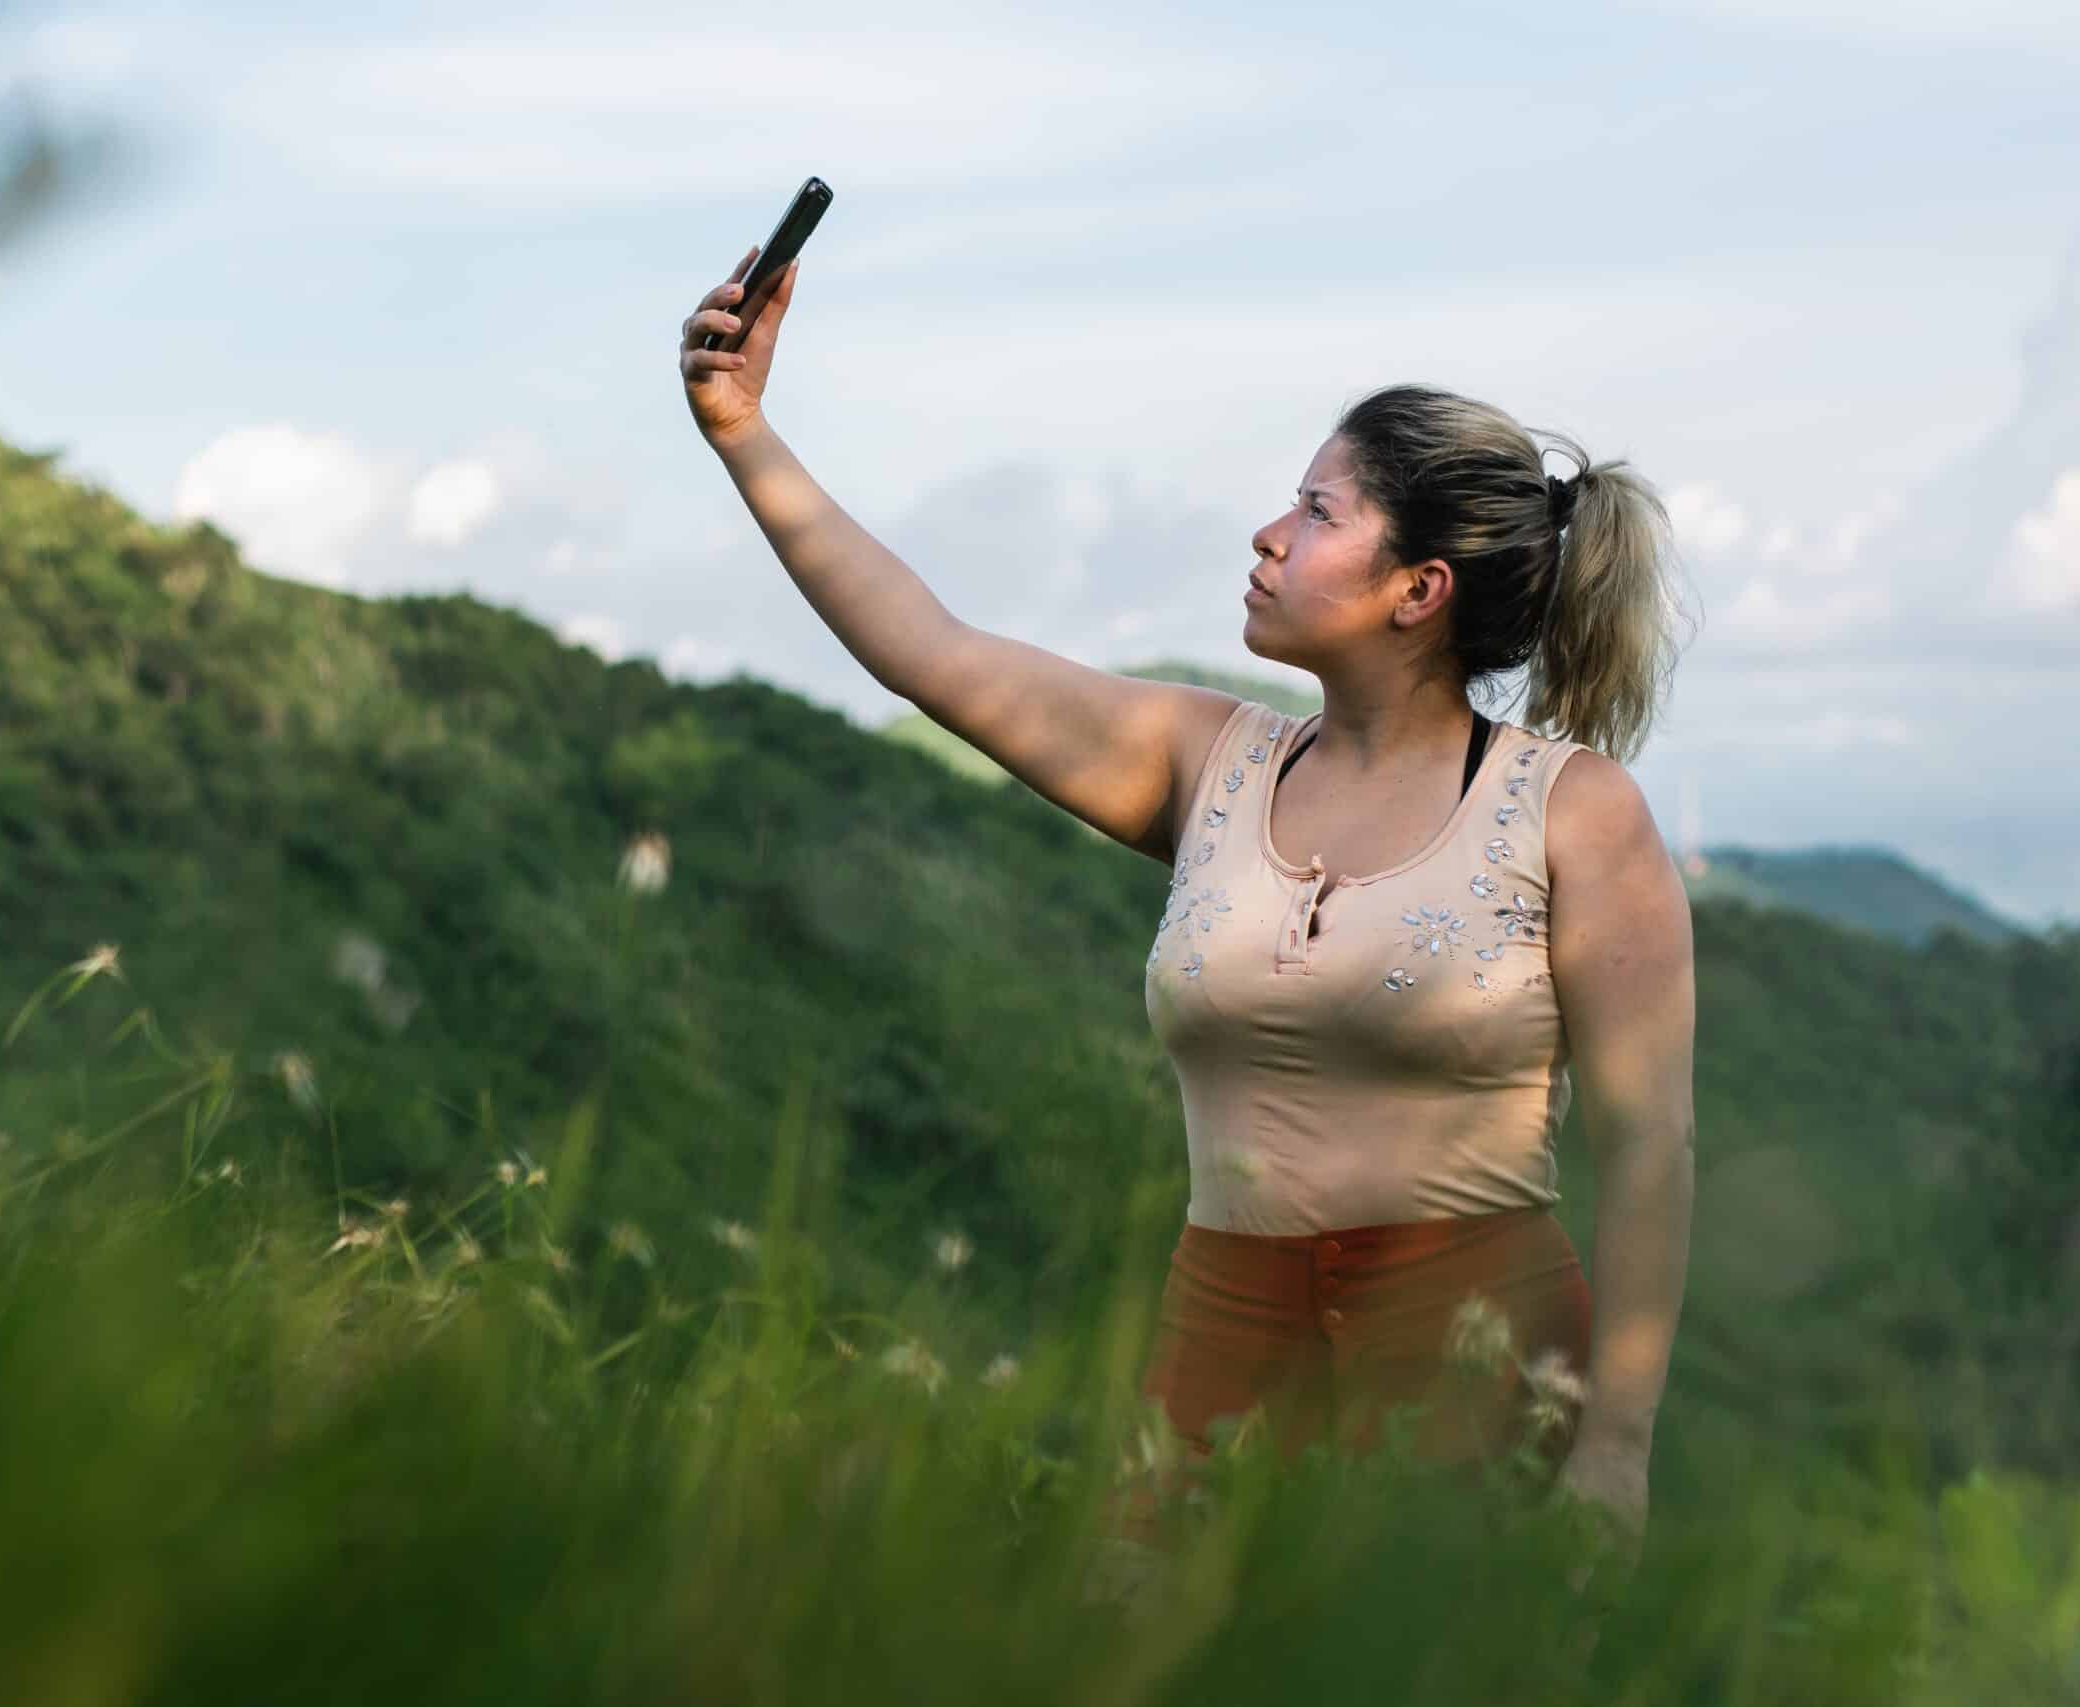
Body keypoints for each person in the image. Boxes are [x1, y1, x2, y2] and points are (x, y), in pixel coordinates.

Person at [678, 247, 1696, 1615]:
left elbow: (1650, 1148)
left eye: (1317, 513)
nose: (1269, 536)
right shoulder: (1204, 759)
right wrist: (745, 433)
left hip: (1477, 1357)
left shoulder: (1573, 814)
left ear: (1419, 590)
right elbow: (930, 647)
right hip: (1218, 1345)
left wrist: (1614, 1451)